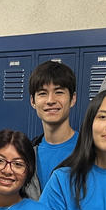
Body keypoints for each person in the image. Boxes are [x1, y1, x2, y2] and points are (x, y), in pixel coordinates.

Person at [29, 60, 78, 190]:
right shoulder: (27, 153)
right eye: (42, 93)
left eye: (59, 92)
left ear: (72, 99)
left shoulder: (89, 150)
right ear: (33, 101)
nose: (50, 100)